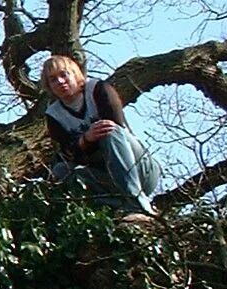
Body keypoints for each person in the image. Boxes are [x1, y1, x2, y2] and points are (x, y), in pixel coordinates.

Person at [41, 54, 162, 217]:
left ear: (75, 74)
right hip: (106, 178)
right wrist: (85, 139)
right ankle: (115, 209)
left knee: (108, 131)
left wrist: (84, 144)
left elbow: (115, 125)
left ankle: (138, 207)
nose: (60, 82)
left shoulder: (98, 89)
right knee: (61, 170)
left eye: (64, 75)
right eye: (53, 79)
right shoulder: (54, 115)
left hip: (140, 170)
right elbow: (68, 153)